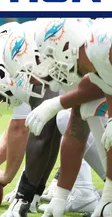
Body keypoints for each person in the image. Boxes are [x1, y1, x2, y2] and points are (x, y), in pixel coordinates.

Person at [24, 18, 112, 216]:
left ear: (65, 45)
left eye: (50, 56)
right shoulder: (96, 63)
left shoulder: (103, 42)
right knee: (89, 110)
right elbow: (75, 132)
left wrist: (57, 103)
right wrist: (61, 196)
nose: (52, 66)